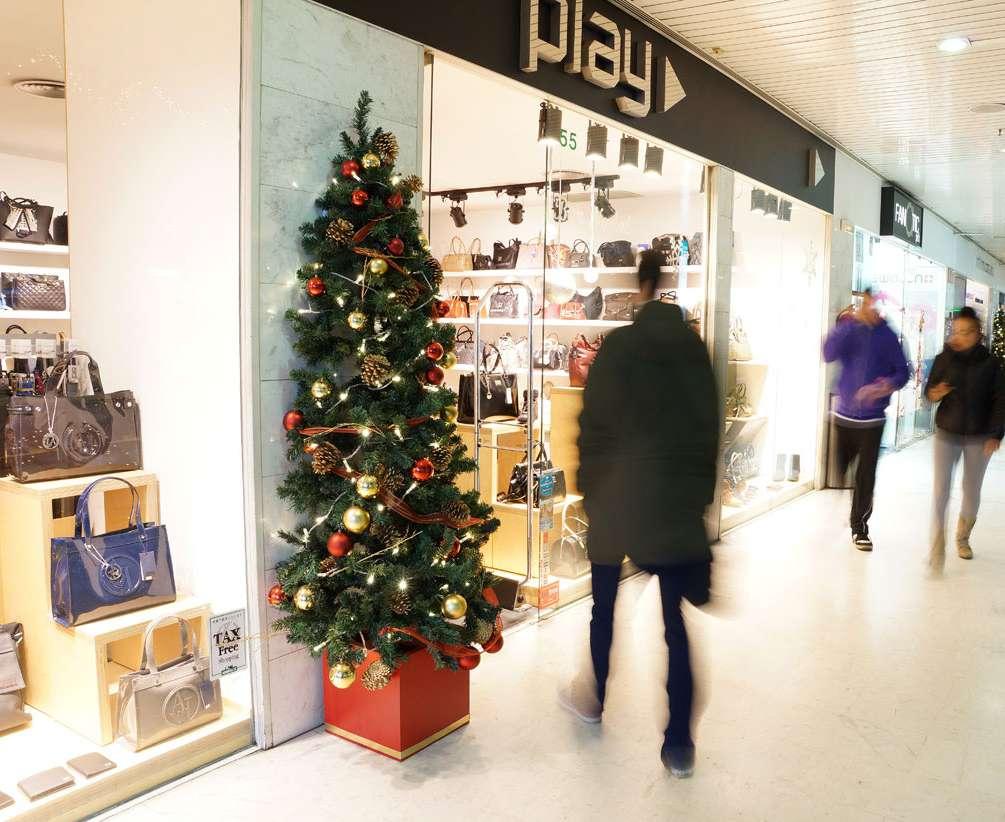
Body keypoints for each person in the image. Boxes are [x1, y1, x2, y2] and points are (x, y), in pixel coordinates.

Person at [560, 250, 719, 778]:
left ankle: (594, 699)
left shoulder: (619, 347)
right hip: (672, 506)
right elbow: (707, 432)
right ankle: (679, 742)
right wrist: (697, 501)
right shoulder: (694, 351)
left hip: (617, 499)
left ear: (640, 287)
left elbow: (594, 424)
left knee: (604, 608)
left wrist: (590, 489)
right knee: (675, 624)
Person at [823, 289, 909, 551]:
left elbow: (903, 372)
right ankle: (846, 504)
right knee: (840, 468)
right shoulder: (850, 328)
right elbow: (828, 352)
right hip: (843, 416)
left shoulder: (888, 335)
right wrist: (851, 325)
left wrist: (884, 386)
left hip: (872, 420)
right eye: (866, 304)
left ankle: (859, 526)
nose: (871, 309)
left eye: (875, 304)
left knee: (865, 476)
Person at [925, 307, 1005, 570]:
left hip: (978, 437)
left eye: (967, 331)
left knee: (971, 492)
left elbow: (1000, 401)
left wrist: (996, 434)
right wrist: (935, 393)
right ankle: (937, 545)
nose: (961, 336)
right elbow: (929, 393)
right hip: (947, 432)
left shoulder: (991, 364)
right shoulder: (944, 359)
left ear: (978, 333)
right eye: (957, 331)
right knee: (940, 490)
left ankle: (963, 537)